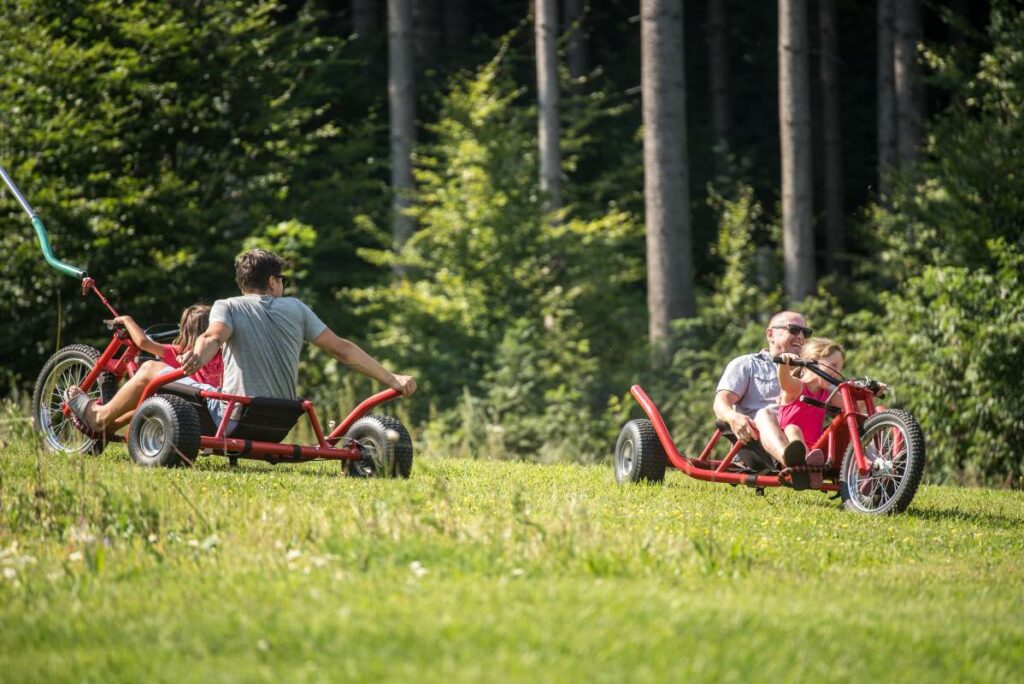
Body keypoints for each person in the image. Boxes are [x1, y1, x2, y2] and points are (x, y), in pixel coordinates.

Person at [66, 248, 416, 436]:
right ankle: (105, 427)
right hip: (279, 422)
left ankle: (98, 415)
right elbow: (343, 349)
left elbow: (213, 336)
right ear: (274, 281)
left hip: (231, 418)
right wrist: (392, 380)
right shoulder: (297, 309)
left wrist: (197, 356)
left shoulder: (228, 305)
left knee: (149, 370)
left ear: (244, 283)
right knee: (161, 380)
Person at [712, 310, 812, 473]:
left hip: (805, 438)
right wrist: (733, 417)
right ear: (770, 334)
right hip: (757, 445)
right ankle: (792, 461)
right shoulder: (747, 364)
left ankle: (864, 469)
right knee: (765, 415)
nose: (800, 336)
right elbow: (721, 402)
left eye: (806, 332)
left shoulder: (812, 372)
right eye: (793, 329)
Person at [775, 337, 846, 488]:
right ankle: (806, 465)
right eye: (833, 365)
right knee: (792, 428)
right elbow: (784, 381)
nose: (837, 373)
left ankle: (813, 467)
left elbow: (852, 405)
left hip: (816, 450)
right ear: (814, 360)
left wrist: (871, 389)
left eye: (840, 369)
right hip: (790, 448)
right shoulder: (798, 387)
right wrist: (783, 364)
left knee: (841, 429)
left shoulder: (827, 394)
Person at [110, 304, 224, 387]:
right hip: (218, 407)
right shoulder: (223, 354)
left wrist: (127, 320)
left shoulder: (178, 352)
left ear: (185, 330)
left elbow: (143, 342)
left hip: (187, 406)